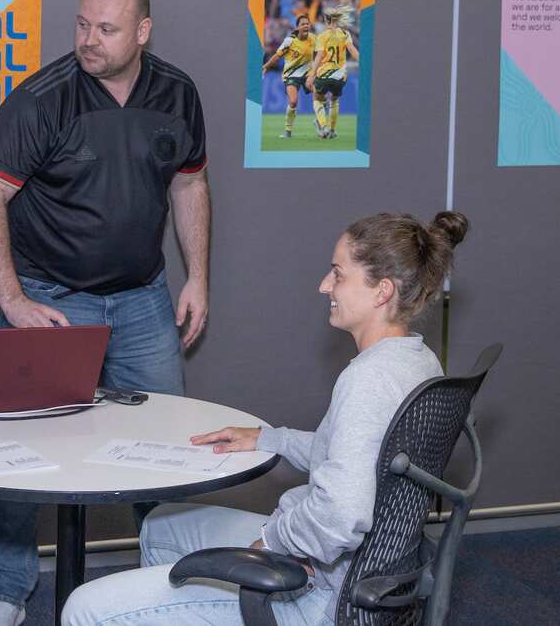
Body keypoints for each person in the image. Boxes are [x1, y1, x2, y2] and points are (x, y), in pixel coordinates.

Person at [62, 211, 470, 626]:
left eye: (338, 274)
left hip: (322, 596)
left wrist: (271, 543)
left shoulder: (368, 380)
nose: (324, 285)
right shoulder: (418, 361)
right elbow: (363, 459)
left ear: (382, 291)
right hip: (363, 579)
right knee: (161, 525)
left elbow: (342, 514)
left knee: (83, 607)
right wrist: (269, 439)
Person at [0, 0, 211, 626]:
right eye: (82, 25)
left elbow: (189, 185)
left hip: (143, 300)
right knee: (23, 453)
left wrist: (198, 276)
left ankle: (169, 584)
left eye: (106, 28)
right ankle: (5, 593)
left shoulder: (178, 93)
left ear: (143, 31)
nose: (88, 40)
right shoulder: (41, 100)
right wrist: (13, 301)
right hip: (54, 299)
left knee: (166, 448)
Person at [262, 14, 319, 139]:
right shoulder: (289, 41)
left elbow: (319, 55)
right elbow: (277, 56)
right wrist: (266, 66)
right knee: (293, 101)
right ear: (297, 27)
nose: (306, 26)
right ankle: (288, 130)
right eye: (303, 24)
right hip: (291, 75)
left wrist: (317, 70)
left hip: (307, 74)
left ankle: (320, 122)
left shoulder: (314, 39)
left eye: (307, 24)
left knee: (320, 93)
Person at [310, 5, 359, 139]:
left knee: (316, 98)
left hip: (325, 73)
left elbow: (319, 57)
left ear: (326, 20)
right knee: (334, 100)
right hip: (340, 76)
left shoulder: (322, 36)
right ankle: (332, 130)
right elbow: (352, 50)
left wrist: (312, 75)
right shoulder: (345, 33)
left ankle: (323, 127)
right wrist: (363, 62)